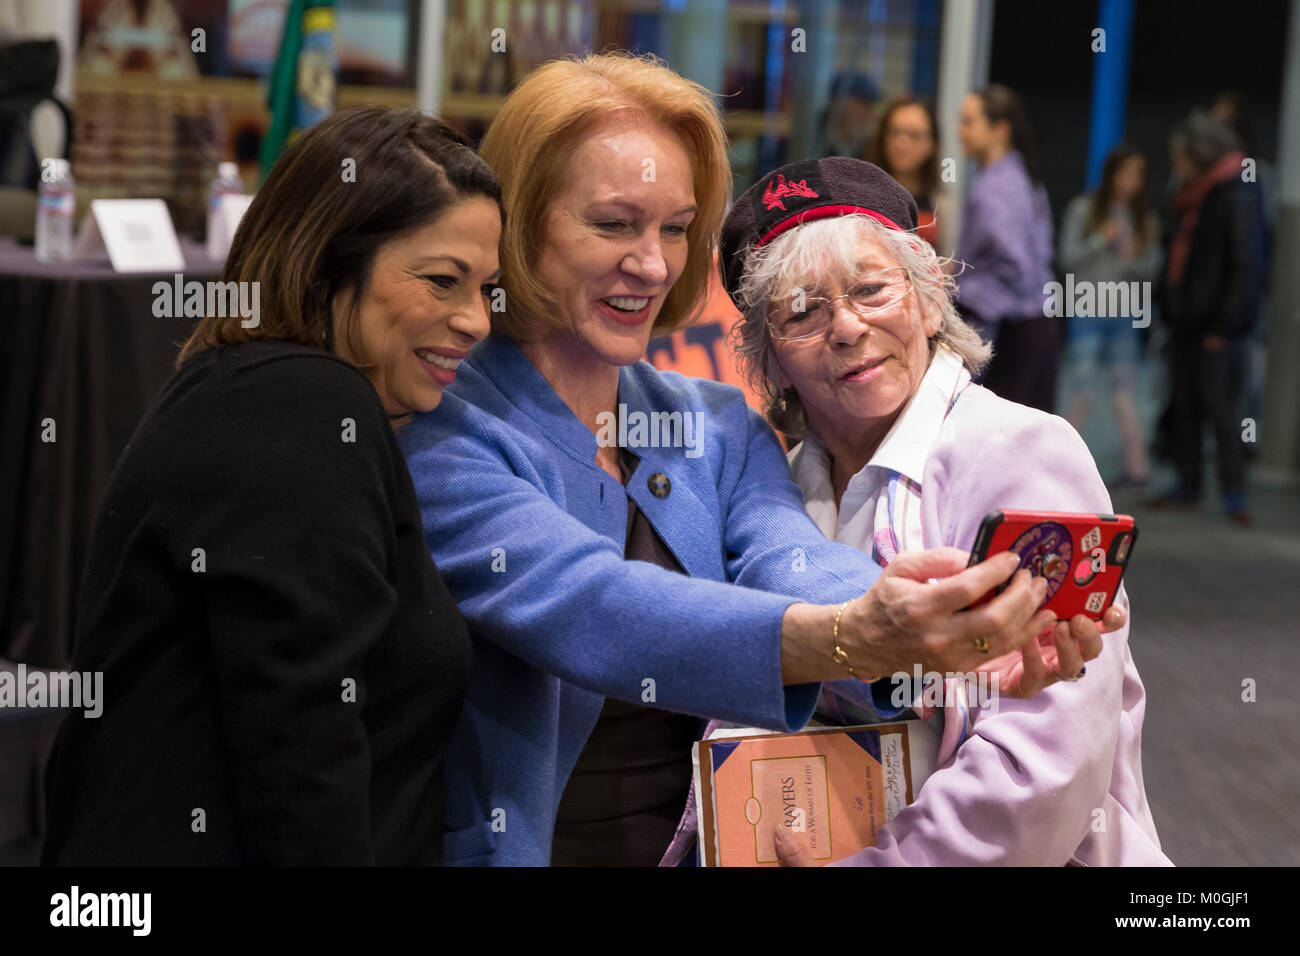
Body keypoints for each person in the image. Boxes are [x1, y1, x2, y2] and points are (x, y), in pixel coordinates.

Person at [399, 53, 1116, 868]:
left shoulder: (711, 420)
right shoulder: (441, 428)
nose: (654, 263)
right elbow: (598, 611)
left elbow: (791, 556)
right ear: (520, 225)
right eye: (613, 223)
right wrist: (867, 634)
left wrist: (938, 622)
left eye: (674, 227)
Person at [40, 107, 498, 864]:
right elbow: (302, 754)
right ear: (325, 264)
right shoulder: (299, 403)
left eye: (487, 287)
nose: (476, 319)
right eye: (443, 281)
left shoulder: (256, 392)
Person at [713, 156, 1167, 865]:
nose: (847, 327)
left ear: (928, 300)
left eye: (871, 290)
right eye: (802, 311)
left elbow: (1044, 767)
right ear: (767, 356)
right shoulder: (773, 495)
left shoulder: (1024, 454)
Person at [1152, 112, 1267, 526]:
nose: (1175, 165)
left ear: (1199, 155)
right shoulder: (1191, 194)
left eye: (1180, 157)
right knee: (1184, 406)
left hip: (1216, 327)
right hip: (1186, 321)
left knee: (1223, 412)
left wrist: (1226, 326)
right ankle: (1188, 485)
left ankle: (1235, 494)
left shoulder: (1235, 193)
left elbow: (1247, 264)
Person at [1058, 143, 1161, 488]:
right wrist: (1100, 239)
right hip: (1088, 307)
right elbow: (1067, 257)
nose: (1131, 181)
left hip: (1124, 313)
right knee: (1081, 388)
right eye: (1125, 172)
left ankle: (1137, 469)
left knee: (1125, 392)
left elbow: (1152, 272)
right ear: (1111, 174)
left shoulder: (1145, 218)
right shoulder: (1084, 209)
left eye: (1138, 175)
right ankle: (1059, 462)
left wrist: (1134, 256)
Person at [954, 84, 1058, 412]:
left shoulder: (994, 187)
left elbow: (1017, 265)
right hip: (1038, 324)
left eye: (969, 122)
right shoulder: (1022, 176)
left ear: (999, 130)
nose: (960, 132)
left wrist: (959, 287)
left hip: (1016, 332)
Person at [866, 95, 948, 252]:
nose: (901, 143)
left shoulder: (943, 204)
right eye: (894, 132)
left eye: (914, 135)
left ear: (932, 144)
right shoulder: (864, 197)